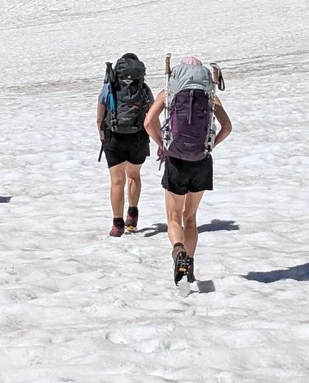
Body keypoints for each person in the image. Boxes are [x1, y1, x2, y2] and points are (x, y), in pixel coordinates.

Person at [144, 55, 231, 284]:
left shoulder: (169, 94)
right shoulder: (211, 97)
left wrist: (161, 144)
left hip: (176, 160)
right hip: (201, 160)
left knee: (174, 217)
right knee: (190, 217)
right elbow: (227, 127)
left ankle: (178, 252)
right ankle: (189, 268)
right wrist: (211, 144)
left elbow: (148, 122)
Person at [97, 53, 153, 238]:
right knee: (134, 176)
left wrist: (102, 136)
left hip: (114, 137)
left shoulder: (110, 87)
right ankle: (133, 213)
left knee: (117, 181)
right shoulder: (143, 88)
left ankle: (117, 224)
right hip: (138, 137)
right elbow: (151, 115)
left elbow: (99, 117)